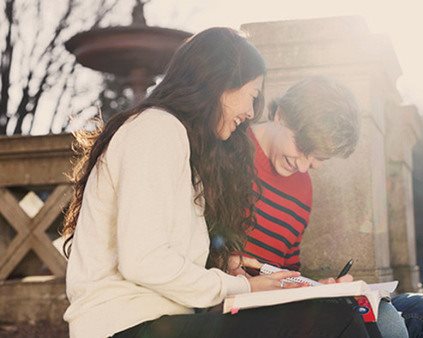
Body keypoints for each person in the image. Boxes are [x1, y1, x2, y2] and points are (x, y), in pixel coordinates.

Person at [61, 28, 370, 338]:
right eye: (252, 96)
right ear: (221, 84)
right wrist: (239, 285)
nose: (250, 112)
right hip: (124, 326)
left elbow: (161, 257)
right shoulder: (156, 128)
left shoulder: (180, 144)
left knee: (337, 316)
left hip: (162, 322)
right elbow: (144, 261)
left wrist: (229, 270)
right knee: (336, 321)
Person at [229, 76, 423, 338]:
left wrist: (317, 289)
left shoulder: (302, 185)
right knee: (385, 323)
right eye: (302, 148)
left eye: (318, 158)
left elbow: (289, 270)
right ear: (281, 116)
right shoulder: (231, 154)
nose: (304, 167)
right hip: (243, 312)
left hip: (286, 308)